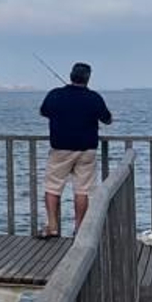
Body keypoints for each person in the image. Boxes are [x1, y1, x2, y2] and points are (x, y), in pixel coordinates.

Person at [38, 62, 112, 237]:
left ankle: (53, 227)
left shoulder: (55, 95)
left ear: (71, 76)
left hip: (60, 148)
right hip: (87, 150)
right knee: (82, 190)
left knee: (53, 187)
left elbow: (43, 112)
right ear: (88, 78)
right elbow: (107, 119)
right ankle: (79, 229)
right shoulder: (94, 98)